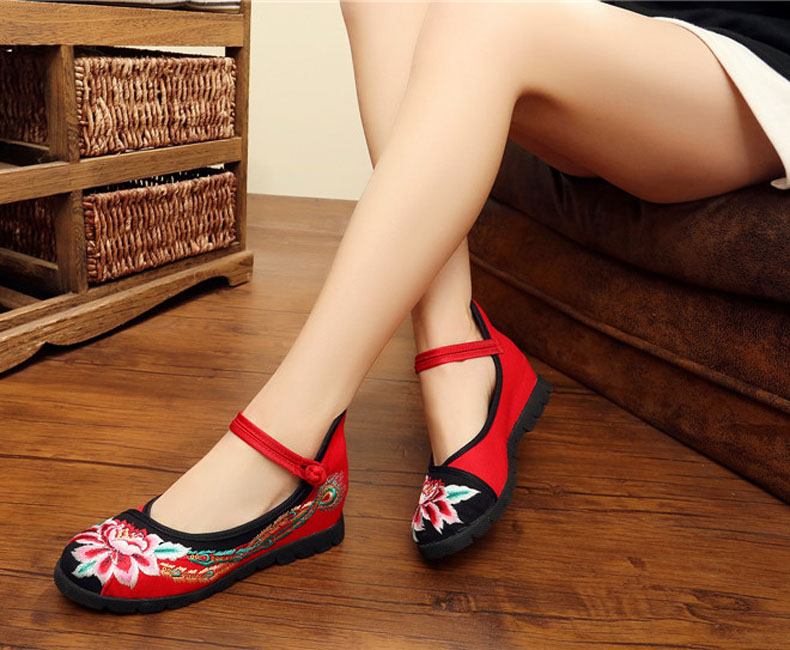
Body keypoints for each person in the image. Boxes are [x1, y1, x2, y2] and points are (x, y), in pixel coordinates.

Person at [53, 1, 790, 613]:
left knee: (491, 16)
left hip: (748, 67)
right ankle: (456, 352)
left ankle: (288, 441)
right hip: (626, 40)